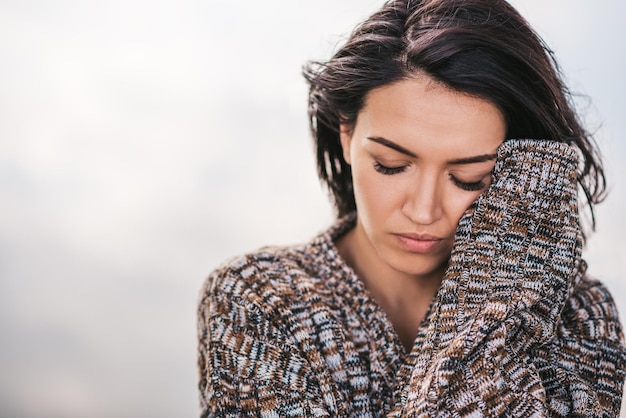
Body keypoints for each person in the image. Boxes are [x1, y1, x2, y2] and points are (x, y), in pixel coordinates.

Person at [197, 0, 626, 416]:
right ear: (347, 135)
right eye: (392, 166)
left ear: (522, 170)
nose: (423, 212)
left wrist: (506, 298)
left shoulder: (578, 315)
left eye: (469, 178)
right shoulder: (258, 299)